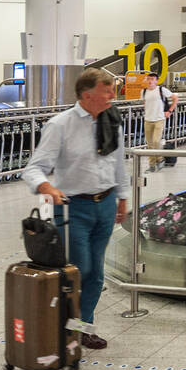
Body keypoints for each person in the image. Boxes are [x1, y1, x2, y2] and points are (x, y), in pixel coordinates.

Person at [23, 68, 129, 349]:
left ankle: (81, 328)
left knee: (96, 274)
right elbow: (35, 168)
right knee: (78, 270)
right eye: (106, 91)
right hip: (73, 209)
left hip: (104, 205)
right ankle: (60, 325)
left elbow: (118, 164)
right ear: (87, 95)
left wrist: (123, 196)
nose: (112, 96)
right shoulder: (61, 125)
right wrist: (46, 187)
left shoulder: (111, 121)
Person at [141, 72, 178, 171]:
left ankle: (160, 159)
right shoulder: (144, 92)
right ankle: (152, 165)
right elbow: (145, 103)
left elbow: (175, 98)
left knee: (156, 141)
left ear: (156, 81)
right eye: (149, 79)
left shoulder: (161, 90)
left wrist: (169, 111)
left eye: (152, 79)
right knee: (149, 144)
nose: (150, 81)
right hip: (148, 120)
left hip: (159, 119)